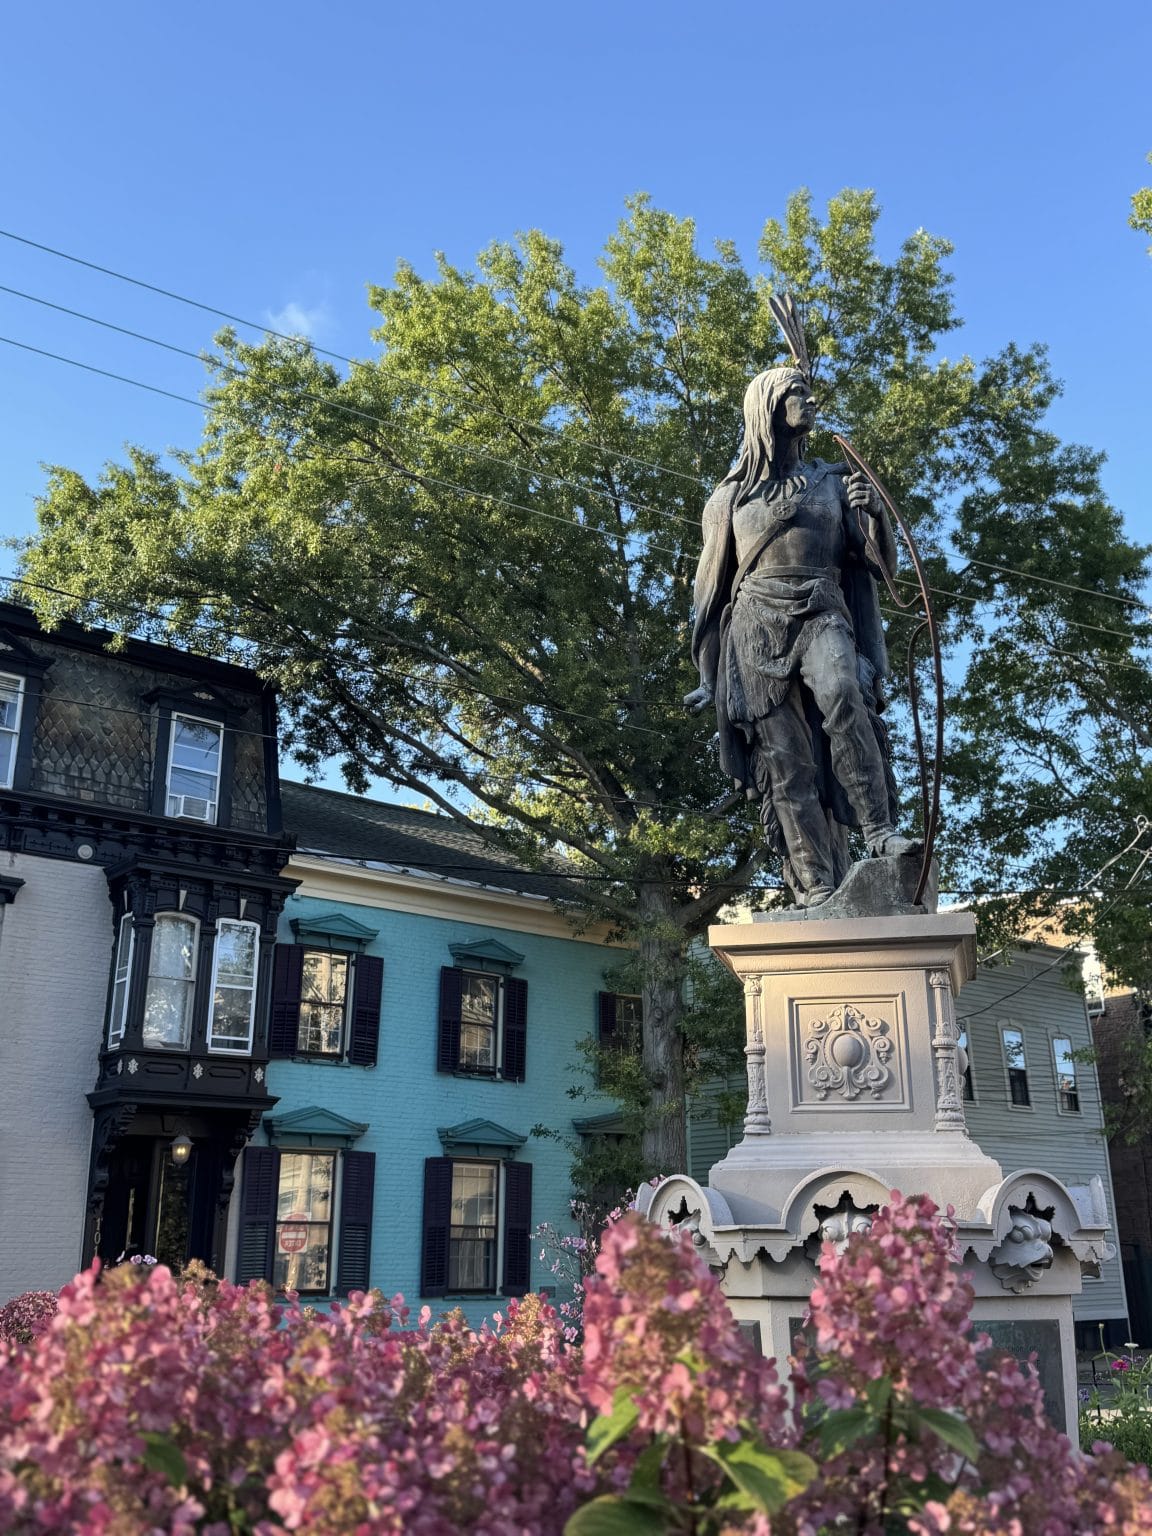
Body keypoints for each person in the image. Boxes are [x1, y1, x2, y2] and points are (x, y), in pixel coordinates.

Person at [685, 365, 914, 907]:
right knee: (786, 759)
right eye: (796, 393)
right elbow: (709, 591)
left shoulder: (833, 482)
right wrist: (707, 673)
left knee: (842, 694)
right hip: (753, 629)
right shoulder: (729, 501)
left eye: (809, 393)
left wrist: (875, 515)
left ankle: (878, 832)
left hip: (820, 607)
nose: (809, 402)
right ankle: (814, 883)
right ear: (766, 406)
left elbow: (878, 566)